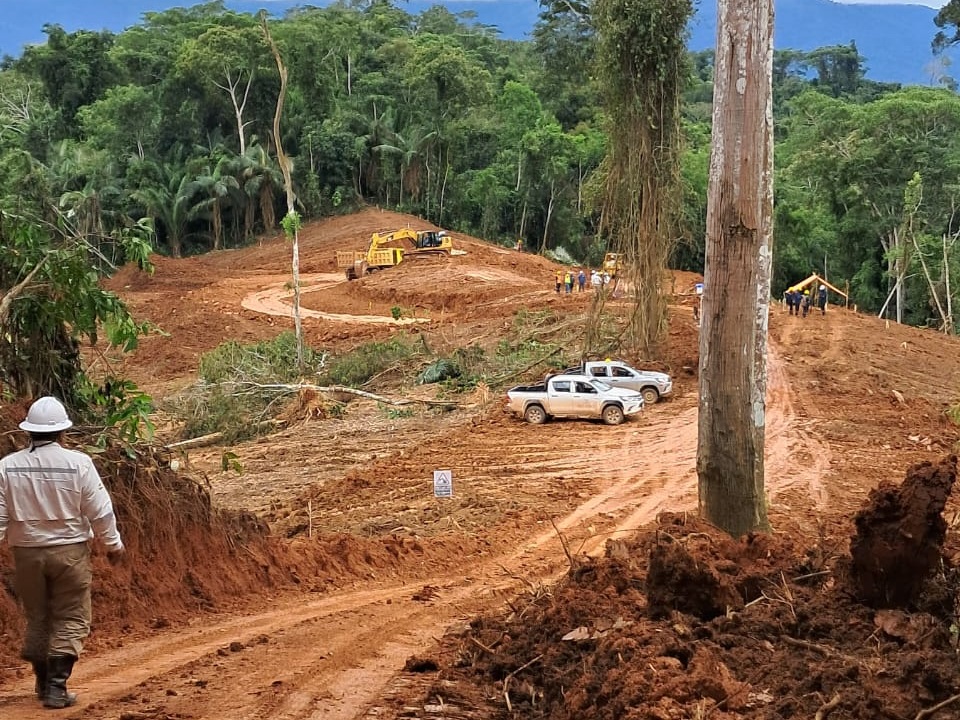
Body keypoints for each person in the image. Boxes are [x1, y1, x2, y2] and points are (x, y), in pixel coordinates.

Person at [0, 397, 125, 709]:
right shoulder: (79, 464)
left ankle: (43, 684)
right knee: (70, 615)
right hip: (69, 553)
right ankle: (57, 688)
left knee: (38, 616)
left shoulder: (7, 467)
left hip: (27, 554)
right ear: (62, 432)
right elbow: (100, 511)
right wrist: (113, 544)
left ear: (29, 432)